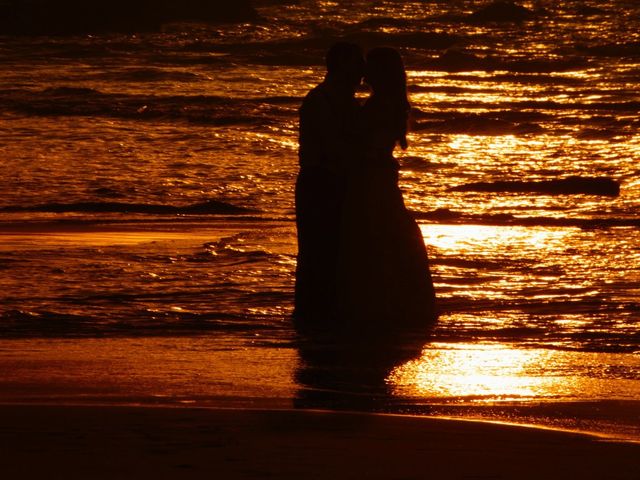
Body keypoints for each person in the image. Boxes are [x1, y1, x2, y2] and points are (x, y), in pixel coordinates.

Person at [337, 47, 437, 330]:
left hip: (374, 178)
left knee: (377, 234)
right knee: (384, 234)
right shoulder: (387, 102)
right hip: (377, 176)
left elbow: (374, 145)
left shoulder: (383, 104)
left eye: (370, 66)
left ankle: (383, 302)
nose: (364, 72)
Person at [294, 42, 365, 327]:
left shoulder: (346, 101)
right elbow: (330, 149)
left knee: (338, 255)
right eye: (356, 63)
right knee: (317, 254)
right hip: (320, 184)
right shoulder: (319, 101)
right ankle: (312, 316)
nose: (362, 71)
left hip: (336, 183)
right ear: (341, 66)